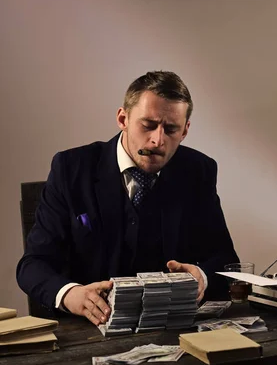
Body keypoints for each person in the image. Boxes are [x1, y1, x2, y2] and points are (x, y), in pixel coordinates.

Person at [17, 71, 239, 326]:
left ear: (185, 130)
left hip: (172, 329)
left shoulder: (199, 170)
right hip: (85, 331)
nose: (158, 140)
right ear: (123, 118)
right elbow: (33, 265)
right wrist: (70, 294)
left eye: (171, 129)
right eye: (148, 125)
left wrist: (203, 276)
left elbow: (225, 260)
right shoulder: (71, 168)